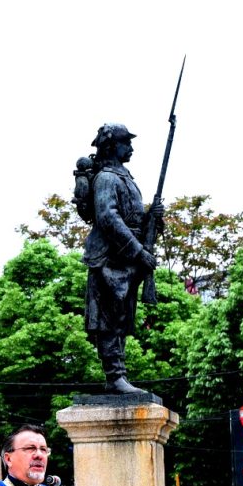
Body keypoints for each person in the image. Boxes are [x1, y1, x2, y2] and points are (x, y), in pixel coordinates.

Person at [79, 123, 163, 395]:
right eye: (126, 142)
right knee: (108, 318)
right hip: (109, 258)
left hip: (125, 259)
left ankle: (119, 375)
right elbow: (108, 218)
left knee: (121, 318)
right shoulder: (106, 178)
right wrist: (138, 251)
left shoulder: (124, 177)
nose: (131, 148)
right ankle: (114, 375)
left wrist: (152, 218)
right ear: (112, 145)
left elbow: (131, 218)